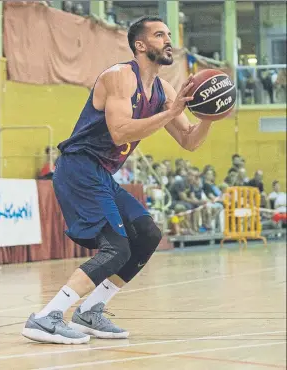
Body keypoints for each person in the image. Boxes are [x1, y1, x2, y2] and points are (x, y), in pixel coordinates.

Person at [22, 15, 214, 345]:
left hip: (101, 173)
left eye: (168, 34)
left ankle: (91, 311)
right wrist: (170, 113)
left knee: (148, 233)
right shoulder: (119, 77)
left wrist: (210, 115)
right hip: (78, 168)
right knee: (117, 249)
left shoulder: (163, 90)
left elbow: (189, 141)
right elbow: (120, 131)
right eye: (159, 35)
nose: (168, 40)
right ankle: (46, 317)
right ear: (140, 45)